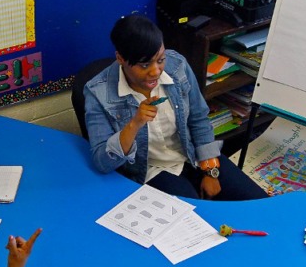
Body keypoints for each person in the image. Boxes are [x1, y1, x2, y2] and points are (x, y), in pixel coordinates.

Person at [83, 15, 268, 200]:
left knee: (259, 203)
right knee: (198, 219)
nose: (155, 71)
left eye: (160, 59)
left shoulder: (177, 65)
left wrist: (211, 171)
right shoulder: (97, 93)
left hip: (192, 155)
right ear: (120, 58)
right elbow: (103, 162)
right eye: (145, 65)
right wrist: (134, 124)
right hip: (153, 170)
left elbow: (198, 118)